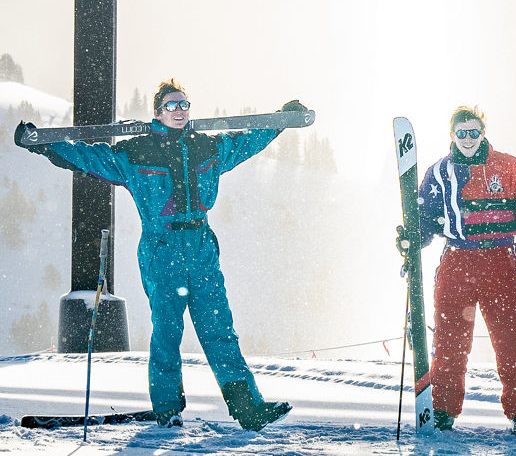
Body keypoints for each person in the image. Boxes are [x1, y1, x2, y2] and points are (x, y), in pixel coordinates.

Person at [14, 79, 304, 431]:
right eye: (171, 105)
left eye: (184, 104)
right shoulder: (136, 153)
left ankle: (248, 408)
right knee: (167, 330)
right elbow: (88, 156)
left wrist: (280, 121)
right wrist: (42, 146)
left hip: (201, 249)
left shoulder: (206, 147)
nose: (179, 110)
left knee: (219, 330)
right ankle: (168, 409)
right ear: (157, 112)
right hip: (161, 249)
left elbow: (246, 141)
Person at [397, 106, 516, 436]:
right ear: (452, 135)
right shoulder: (439, 173)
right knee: (449, 344)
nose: (469, 139)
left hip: (499, 261)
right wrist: (411, 237)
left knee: (509, 342)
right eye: (462, 133)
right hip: (457, 261)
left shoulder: (508, 166)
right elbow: (426, 222)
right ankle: (443, 410)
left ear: (483, 133)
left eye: (475, 132)